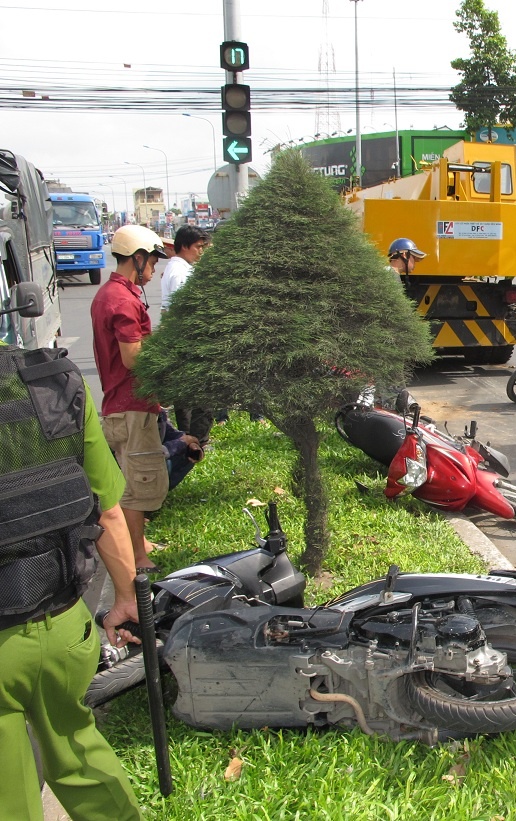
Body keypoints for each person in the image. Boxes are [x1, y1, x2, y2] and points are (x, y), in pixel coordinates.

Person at [0, 343, 143, 820]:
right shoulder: (54, 380)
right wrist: (126, 596)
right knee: (79, 748)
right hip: (64, 626)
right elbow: (107, 509)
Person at [91, 224, 170, 574]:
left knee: (131, 478)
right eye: (152, 262)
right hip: (131, 405)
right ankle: (137, 557)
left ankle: (139, 543)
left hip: (122, 404)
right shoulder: (122, 299)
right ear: (137, 258)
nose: (153, 271)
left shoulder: (111, 293)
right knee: (140, 484)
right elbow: (133, 357)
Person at [160, 225, 212, 442]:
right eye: (198, 247)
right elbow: (183, 309)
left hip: (183, 337)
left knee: (189, 392)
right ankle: (194, 439)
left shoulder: (180, 268)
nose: (201, 251)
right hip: (189, 338)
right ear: (183, 246)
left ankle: (190, 437)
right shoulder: (180, 272)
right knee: (198, 392)